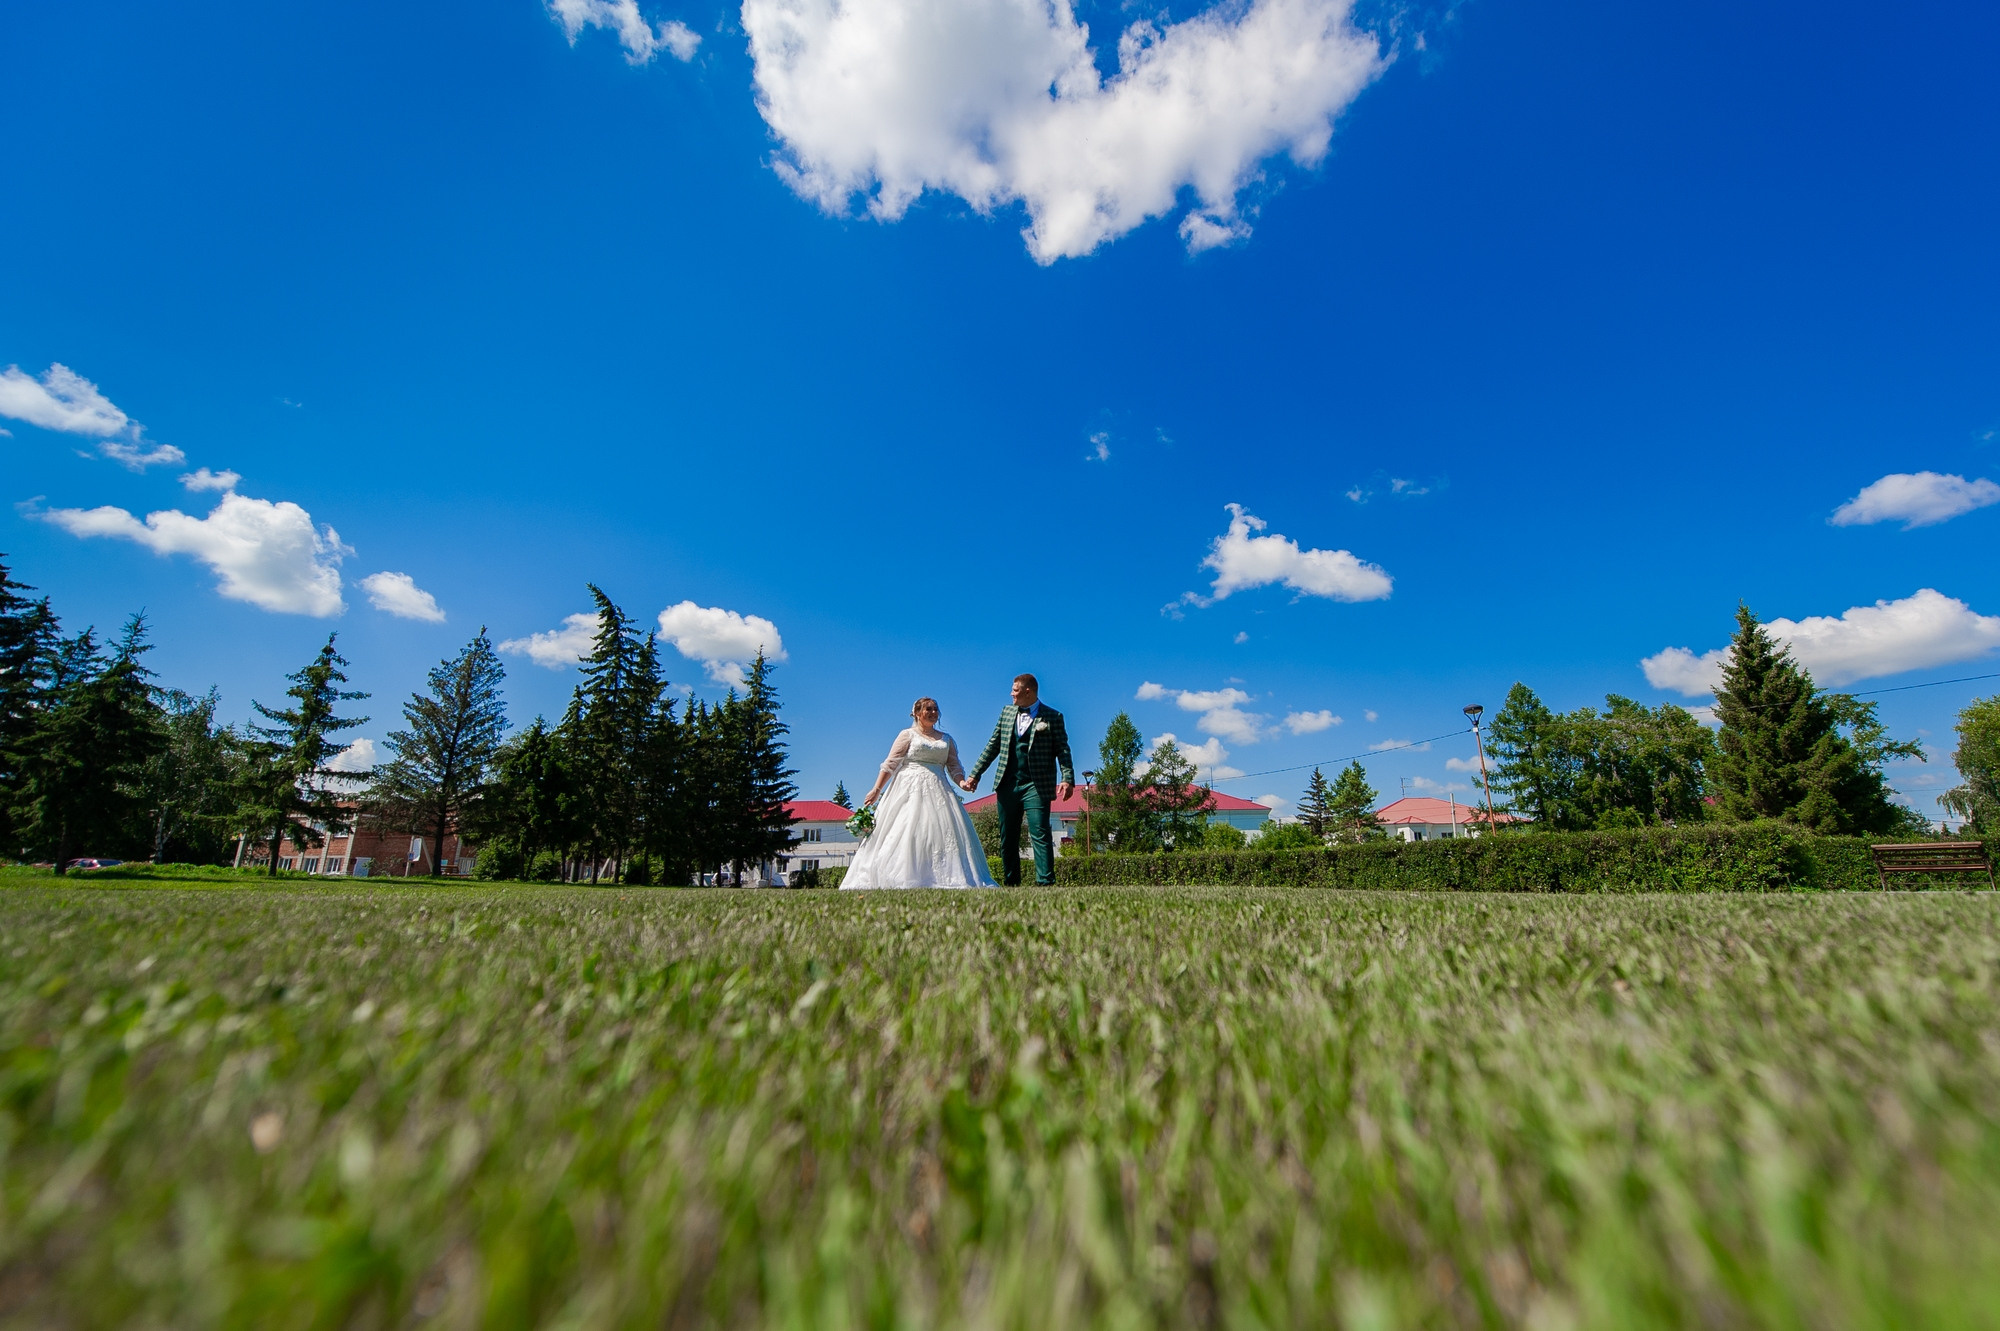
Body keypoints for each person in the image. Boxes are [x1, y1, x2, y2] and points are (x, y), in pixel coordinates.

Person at [842, 697, 996, 890]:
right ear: (916, 713)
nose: (933, 713)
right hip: (907, 788)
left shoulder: (947, 739)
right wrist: (876, 789)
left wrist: (962, 782)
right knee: (906, 830)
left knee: (939, 832)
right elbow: (891, 763)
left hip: (940, 789)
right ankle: (900, 876)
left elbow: (954, 766)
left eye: (935, 709)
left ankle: (939, 876)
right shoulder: (907, 735)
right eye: (928, 709)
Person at [960, 673, 1075, 886]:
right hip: (1008, 783)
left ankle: (1045, 883)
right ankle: (1011, 883)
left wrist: (1067, 777)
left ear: (1027, 691)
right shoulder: (1006, 713)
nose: (1011, 694)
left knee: (1039, 832)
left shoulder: (1053, 717)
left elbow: (1063, 750)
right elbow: (993, 745)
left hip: (1036, 784)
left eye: (1015, 690)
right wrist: (975, 774)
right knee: (1008, 836)